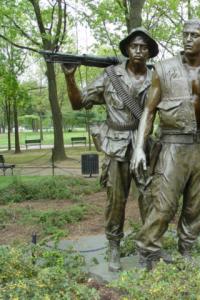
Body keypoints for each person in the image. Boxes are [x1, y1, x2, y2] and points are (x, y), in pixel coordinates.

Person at [132, 18, 200, 269]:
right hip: (173, 146)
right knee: (163, 203)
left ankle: (185, 249)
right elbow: (149, 110)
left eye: (194, 35)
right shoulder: (164, 69)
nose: (188, 39)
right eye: (185, 34)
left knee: (197, 205)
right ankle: (148, 250)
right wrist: (139, 148)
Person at [62, 27, 159, 272]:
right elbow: (78, 103)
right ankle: (114, 247)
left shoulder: (156, 77)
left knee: (149, 199)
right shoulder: (110, 76)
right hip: (115, 146)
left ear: (149, 52)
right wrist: (70, 78)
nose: (138, 50)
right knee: (116, 200)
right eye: (134, 46)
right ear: (127, 49)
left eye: (143, 46)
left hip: (144, 146)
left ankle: (148, 247)